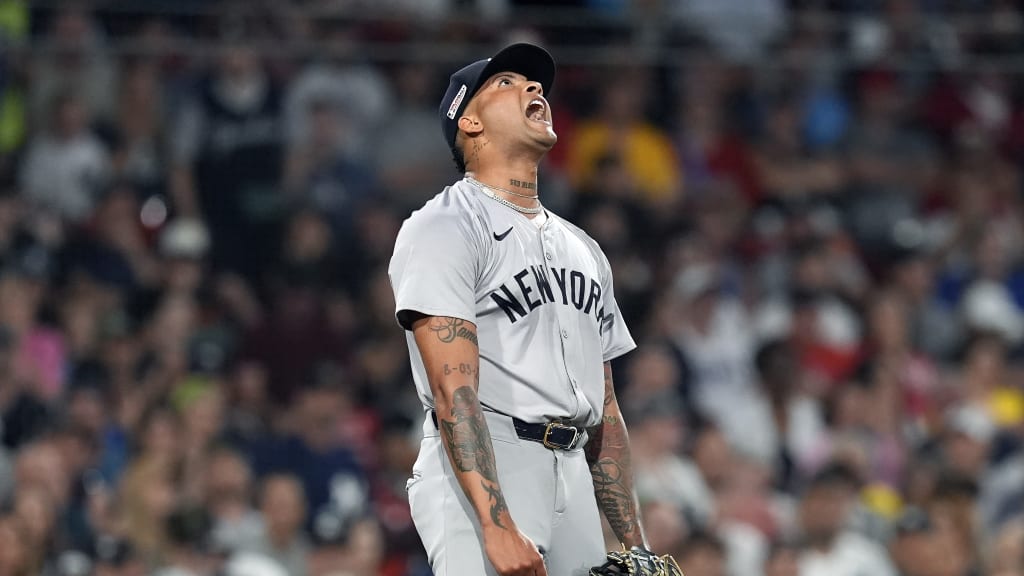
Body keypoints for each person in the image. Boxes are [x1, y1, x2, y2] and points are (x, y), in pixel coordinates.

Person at [388, 43, 647, 576]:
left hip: (573, 465)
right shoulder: (445, 226)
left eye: (536, 83)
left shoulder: (584, 248)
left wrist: (635, 543)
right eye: (506, 82)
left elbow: (607, 408)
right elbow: (451, 389)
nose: (534, 89)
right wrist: (495, 523)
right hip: (494, 460)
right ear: (470, 121)